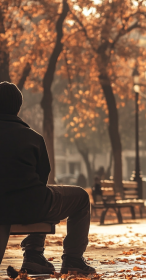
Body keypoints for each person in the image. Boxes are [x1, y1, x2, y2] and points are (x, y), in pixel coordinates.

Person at [0, 82, 95, 274]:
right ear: (18, 107)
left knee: (39, 193)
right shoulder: (32, 137)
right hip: (33, 205)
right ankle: (71, 259)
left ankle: (35, 256)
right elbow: (42, 176)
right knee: (80, 197)